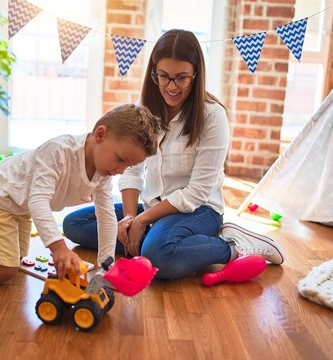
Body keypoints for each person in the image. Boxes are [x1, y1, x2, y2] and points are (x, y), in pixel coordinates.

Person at [63, 29, 286, 279]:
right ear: (154, 73)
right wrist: (129, 218)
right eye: (164, 76)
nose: (171, 86)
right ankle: (158, 244)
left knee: (158, 256)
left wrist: (141, 221)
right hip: (152, 207)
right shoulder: (144, 108)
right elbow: (133, 170)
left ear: (196, 75)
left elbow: (197, 192)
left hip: (199, 211)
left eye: (181, 78)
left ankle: (231, 245)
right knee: (74, 225)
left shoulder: (213, 116)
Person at [0, 104, 164, 282]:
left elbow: (106, 215)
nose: (120, 171)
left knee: (18, 254)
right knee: (5, 269)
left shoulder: (103, 170)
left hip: (18, 204)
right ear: (100, 134)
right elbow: (38, 201)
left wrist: (106, 262)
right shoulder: (58, 152)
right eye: (120, 160)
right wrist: (58, 247)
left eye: (127, 167)